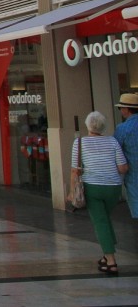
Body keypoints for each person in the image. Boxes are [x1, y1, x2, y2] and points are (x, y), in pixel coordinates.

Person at [74, 111, 128, 276]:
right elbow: (123, 168)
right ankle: (106, 254)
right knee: (104, 219)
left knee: (100, 222)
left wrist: (71, 190)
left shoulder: (80, 142)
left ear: (88, 125)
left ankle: (111, 262)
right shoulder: (113, 141)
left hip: (93, 188)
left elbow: (75, 170)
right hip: (113, 188)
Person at [113, 92, 138, 219]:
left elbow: (115, 150)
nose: (120, 110)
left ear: (126, 109)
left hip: (133, 174)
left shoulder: (122, 128)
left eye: (120, 108)